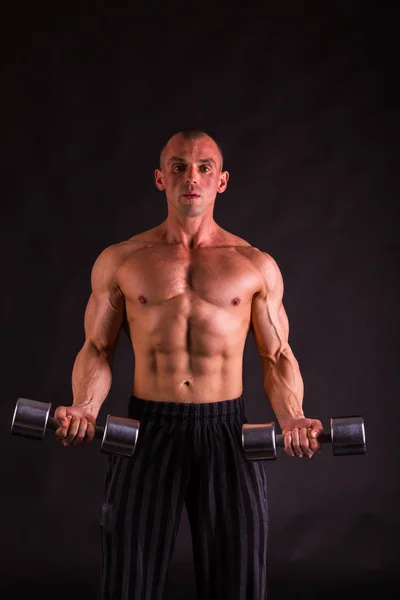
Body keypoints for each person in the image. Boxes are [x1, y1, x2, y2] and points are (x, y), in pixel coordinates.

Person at [54, 128, 323, 600]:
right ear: (161, 179)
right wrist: (85, 407)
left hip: (227, 433)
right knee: (128, 582)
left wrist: (293, 417)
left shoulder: (254, 264)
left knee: (236, 583)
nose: (191, 177)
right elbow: (97, 349)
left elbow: (277, 355)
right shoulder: (122, 260)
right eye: (178, 166)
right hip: (147, 431)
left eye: (204, 168)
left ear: (221, 181)